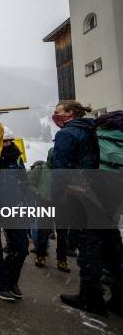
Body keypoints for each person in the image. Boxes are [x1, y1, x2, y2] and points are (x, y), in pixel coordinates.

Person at [56, 102, 123, 317]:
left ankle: (91, 296)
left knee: (89, 244)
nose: (55, 114)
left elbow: (61, 170)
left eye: (59, 111)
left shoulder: (67, 133)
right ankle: (120, 297)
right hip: (106, 190)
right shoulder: (92, 128)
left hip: (82, 193)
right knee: (112, 245)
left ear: (70, 113)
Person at [0, 134, 29, 302]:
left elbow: (24, 183)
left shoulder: (16, 158)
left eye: (8, 141)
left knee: (21, 248)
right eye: (2, 141)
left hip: (14, 207)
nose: (6, 144)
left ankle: (10, 279)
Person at [30, 149, 70, 272]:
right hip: (45, 204)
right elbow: (30, 184)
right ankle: (41, 256)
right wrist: (38, 194)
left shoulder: (66, 171)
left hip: (61, 205)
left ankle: (62, 260)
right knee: (43, 232)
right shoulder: (40, 170)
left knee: (62, 234)